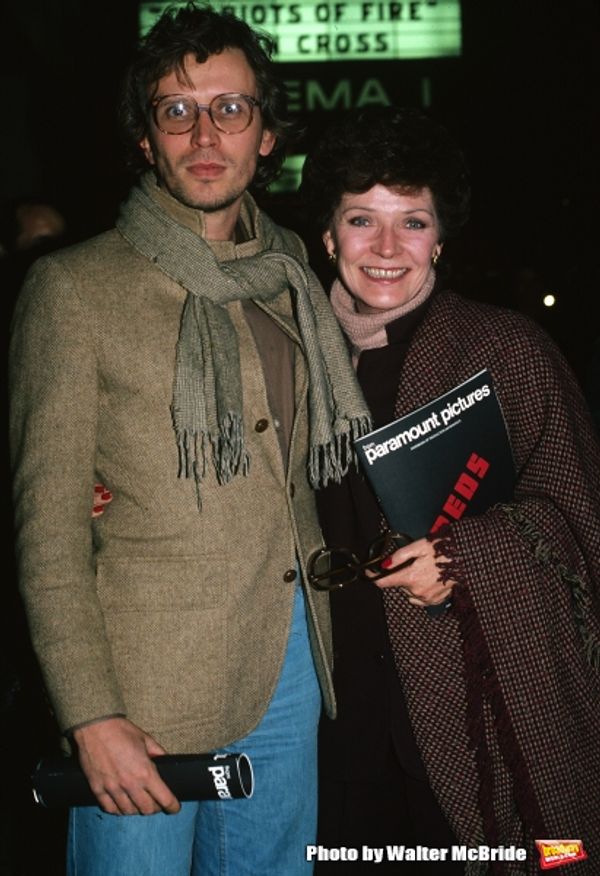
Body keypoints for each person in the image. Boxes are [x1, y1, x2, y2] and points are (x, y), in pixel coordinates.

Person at [9, 6, 370, 875]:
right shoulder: (72, 289)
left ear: (268, 135)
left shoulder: (288, 267)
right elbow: (47, 529)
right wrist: (91, 715)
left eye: (230, 108)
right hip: (144, 687)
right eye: (177, 111)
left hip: (287, 661)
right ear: (146, 139)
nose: (204, 133)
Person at [300, 107, 600, 872]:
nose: (388, 248)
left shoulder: (508, 348)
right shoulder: (290, 359)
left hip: (480, 709)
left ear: (442, 235)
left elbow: (581, 524)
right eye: (363, 220)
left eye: (415, 221)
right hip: (335, 723)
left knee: (537, 859)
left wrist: (466, 559)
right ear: (329, 235)